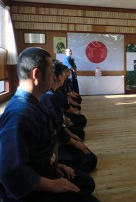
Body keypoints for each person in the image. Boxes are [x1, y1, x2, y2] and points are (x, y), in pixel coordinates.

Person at [0, 47, 99, 202]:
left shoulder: (34, 103)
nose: (55, 76)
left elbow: (37, 151)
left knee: (85, 182)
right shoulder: (19, 115)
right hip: (28, 192)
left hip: (44, 170)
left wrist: (55, 165)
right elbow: (11, 172)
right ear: (36, 75)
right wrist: (53, 185)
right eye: (52, 71)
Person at [41, 60, 97, 173]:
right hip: (53, 147)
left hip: (57, 138)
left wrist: (69, 132)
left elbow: (58, 121)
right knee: (90, 159)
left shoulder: (51, 94)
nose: (66, 75)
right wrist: (72, 141)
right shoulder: (48, 97)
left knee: (80, 129)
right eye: (64, 73)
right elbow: (56, 128)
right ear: (56, 76)